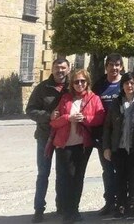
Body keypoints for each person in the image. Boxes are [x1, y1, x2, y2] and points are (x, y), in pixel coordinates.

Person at [50, 68, 106, 224]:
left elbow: (100, 117)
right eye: (76, 81)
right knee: (67, 177)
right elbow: (54, 122)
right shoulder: (65, 99)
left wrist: (85, 118)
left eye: (82, 81)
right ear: (72, 84)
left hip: (83, 145)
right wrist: (68, 117)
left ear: (87, 82)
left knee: (78, 177)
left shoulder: (93, 98)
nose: (80, 84)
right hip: (65, 144)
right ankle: (67, 210)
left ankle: (74, 210)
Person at [26, 57, 70, 222]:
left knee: (62, 173)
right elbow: (30, 110)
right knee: (43, 173)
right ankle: (39, 209)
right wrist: (47, 116)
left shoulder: (71, 87)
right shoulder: (42, 88)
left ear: (68, 69)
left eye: (63, 68)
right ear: (52, 69)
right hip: (45, 137)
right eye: (57, 68)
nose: (60, 71)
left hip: (64, 136)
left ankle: (61, 205)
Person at [102, 72, 134, 219]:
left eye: (132, 83)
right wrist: (106, 147)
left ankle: (131, 206)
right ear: (122, 85)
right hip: (118, 146)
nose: (129, 86)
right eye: (126, 83)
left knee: (132, 177)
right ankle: (120, 205)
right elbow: (107, 126)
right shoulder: (116, 101)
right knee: (119, 177)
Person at [92, 53, 124, 216]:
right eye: (111, 64)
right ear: (106, 67)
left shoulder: (127, 83)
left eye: (117, 64)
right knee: (107, 170)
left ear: (122, 67)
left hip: (123, 135)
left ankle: (123, 202)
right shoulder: (99, 85)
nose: (114, 68)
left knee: (123, 170)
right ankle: (110, 201)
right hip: (104, 135)